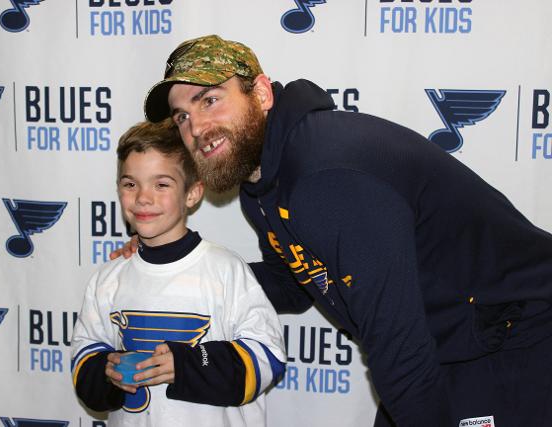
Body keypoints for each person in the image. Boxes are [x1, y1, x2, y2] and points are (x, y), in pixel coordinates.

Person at [129, 34, 552, 426]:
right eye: (182, 116)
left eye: (210, 101)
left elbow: (398, 349)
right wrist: (176, 267)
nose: (197, 128)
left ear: (260, 93)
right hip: (447, 344)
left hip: (518, 339)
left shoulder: (325, 175)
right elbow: (292, 283)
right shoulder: (261, 184)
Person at [70, 119, 286, 427]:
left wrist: (187, 365)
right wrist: (107, 369)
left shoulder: (226, 270)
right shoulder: (108, 280)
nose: (143, 197)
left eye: (161, 184)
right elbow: (85, 357)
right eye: (131, 184)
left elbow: (268, 355)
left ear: (193, 193)